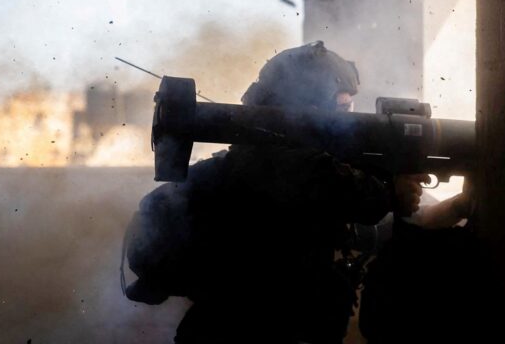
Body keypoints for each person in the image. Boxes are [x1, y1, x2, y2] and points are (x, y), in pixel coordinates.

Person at [123, 41, 470, 343]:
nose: (351, 119)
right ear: (309, 106)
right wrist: (389, 192)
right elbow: (329, 187)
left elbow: (370, 231)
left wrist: (455, 207)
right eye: (342, 108)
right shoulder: (275, 167)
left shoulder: (268, 169)